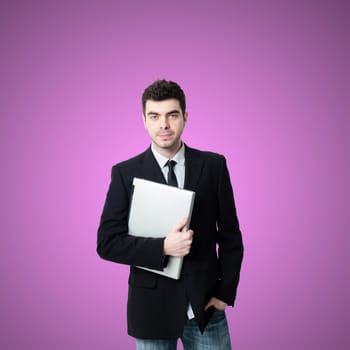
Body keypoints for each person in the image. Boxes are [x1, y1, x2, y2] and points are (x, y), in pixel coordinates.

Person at [97, 79, 244, 350]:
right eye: (154, 116)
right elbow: (107, 243)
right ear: (144, 120)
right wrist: (163, 247)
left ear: (185, 117)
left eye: (172, 115)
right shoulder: (124, 173)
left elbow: (231, 237)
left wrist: (226, 293)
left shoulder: (214, 166)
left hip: (206, 308)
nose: (163, 125)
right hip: (151, 310)